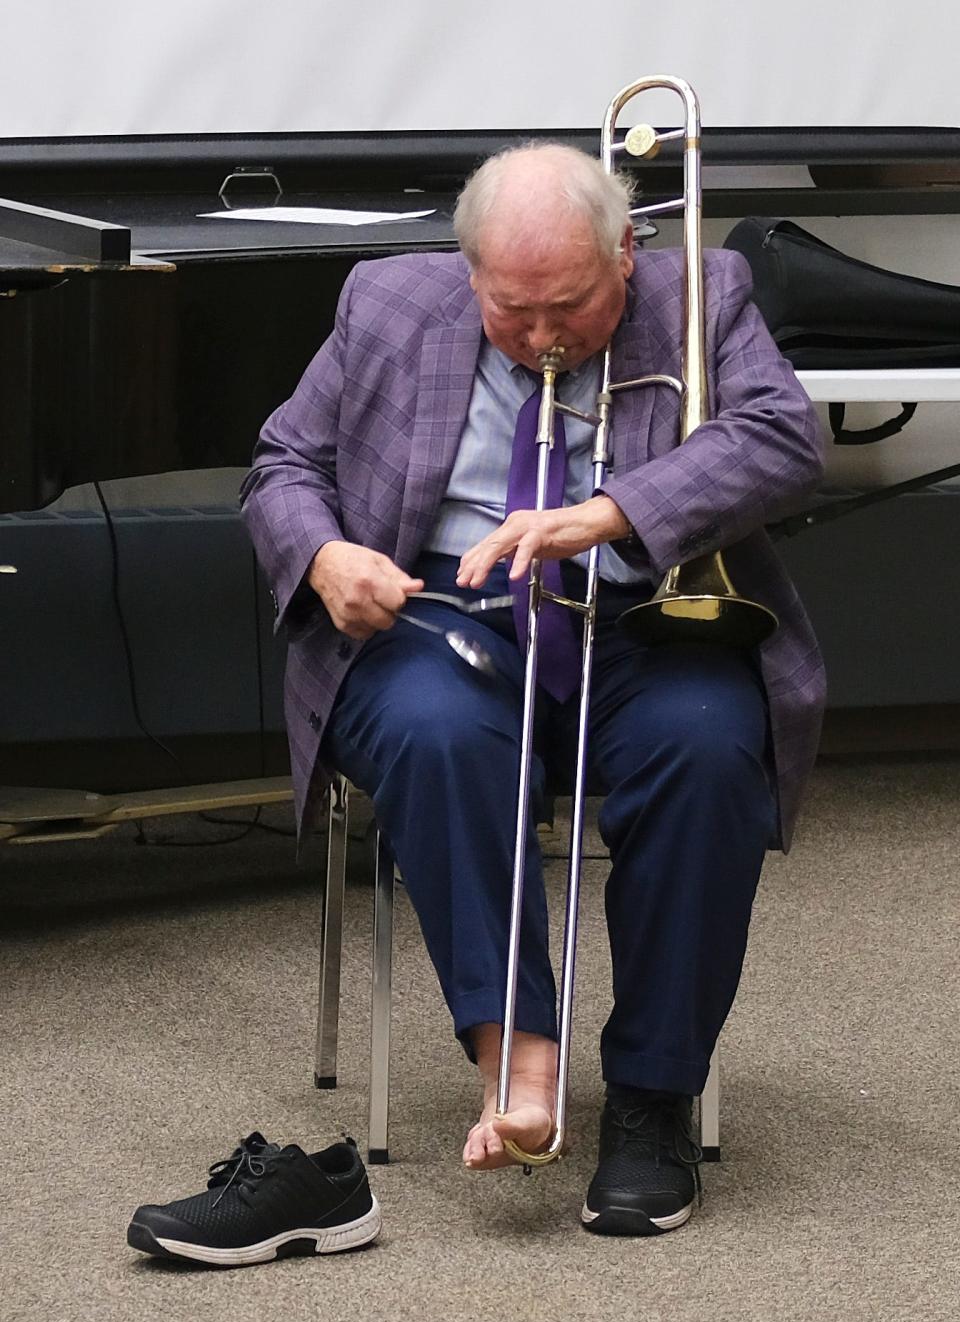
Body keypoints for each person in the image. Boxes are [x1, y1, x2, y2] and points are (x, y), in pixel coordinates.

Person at [240, 144, 825, 1237]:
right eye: (517, 312)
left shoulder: (705, 291)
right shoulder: (384, 301)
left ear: (626, 254)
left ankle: (651, 1101)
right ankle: (518, 1052)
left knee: (704, 749)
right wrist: (324, 557)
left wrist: (606, 515)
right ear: (471, 279)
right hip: (441, 619)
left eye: (574, 305)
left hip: (642, 616)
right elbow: (283, 463)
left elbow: (784, 441)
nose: (547, 335)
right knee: (434, 729)